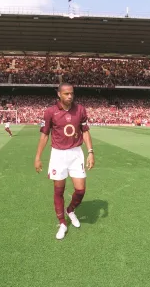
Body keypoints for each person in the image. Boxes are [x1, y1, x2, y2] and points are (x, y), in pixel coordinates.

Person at [34, 83, 95, 240]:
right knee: (59, 190)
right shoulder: (50, 112)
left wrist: (90, 152)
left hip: (76, 153)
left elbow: (86, 131)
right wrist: (38, 157)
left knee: (80, 190)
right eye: (66, 94)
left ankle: (70, 210)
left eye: (72, 93)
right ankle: (62, 223)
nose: (70, 96)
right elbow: (44, 135)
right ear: (59, 94)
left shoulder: (80, 109)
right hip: (58, 155)